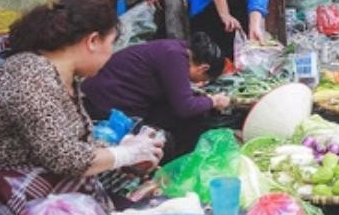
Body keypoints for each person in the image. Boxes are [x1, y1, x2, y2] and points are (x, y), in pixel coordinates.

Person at [0, 0, 163, 215]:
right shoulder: (28, 73)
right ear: (92, 41)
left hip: (39, 209)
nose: (112, 53)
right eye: (111, 43)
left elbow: (69, 143)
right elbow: (64, 157)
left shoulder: (64, 78)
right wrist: (123, 154)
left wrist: (125, 152)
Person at [81, 34, 229, 161]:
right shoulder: (174, 56)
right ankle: (169, 168)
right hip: (107, 106)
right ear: (203, 68)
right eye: (204, 78)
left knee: (191, 115)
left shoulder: (178, 49)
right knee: (167, 137)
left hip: (122, 100)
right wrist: (213, 101)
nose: (201, 83)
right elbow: (185, 107)